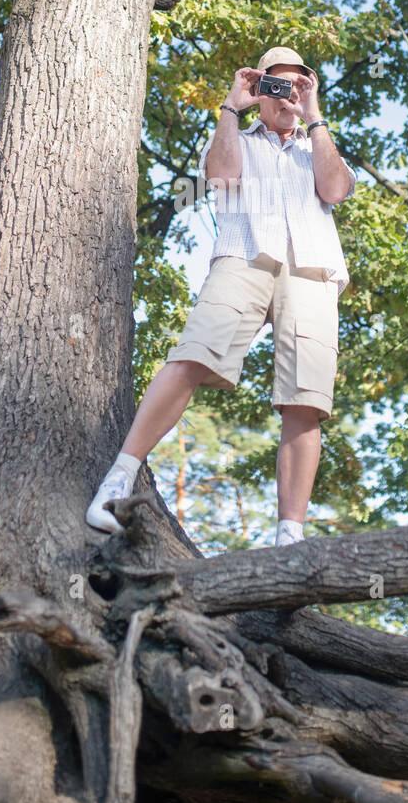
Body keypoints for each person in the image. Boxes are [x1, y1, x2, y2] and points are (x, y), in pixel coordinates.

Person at [87, 46, 356, 545]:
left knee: (306, 398)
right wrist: (233, 106)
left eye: (298, 85)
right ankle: (118, 478)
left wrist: (314, 117)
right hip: (245, 255)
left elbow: (336, 189)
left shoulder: (316, 143)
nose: (287, 94)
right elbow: (221, 175)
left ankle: (289, 537)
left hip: (314, 269)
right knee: (192, 355)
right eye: (276, 84)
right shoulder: (239, 135)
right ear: (259, 88)